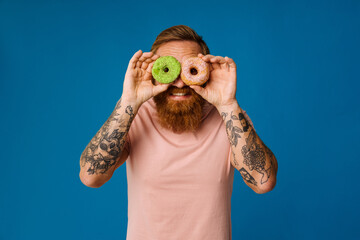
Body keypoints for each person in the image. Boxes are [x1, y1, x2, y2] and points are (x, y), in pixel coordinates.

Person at [79, 25, 278, 240]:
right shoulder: (134, 117)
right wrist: (128, 102)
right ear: (154, 72)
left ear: (205, 71)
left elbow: (263, 182)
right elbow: (91, 177)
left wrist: (228, 104)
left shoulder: (228, 118)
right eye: (170, 70)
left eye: (190, 70)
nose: (180, 82)